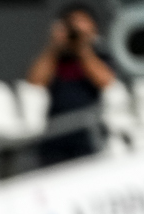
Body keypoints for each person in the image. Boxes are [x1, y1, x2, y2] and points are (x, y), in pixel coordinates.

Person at [26, 2, 116, 167]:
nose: (76, 29)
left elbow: (105, 81)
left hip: (89, 131)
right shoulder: (55, 58)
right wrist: (54, 46)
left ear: (94, 27)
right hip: (55, 132)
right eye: (71, 23)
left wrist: (82, 48)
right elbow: (35, 81)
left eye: (82, 22)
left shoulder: (100, 54)